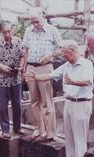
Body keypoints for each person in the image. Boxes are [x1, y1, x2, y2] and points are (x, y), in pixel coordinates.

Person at [25, 40, 93, 157]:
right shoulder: (66, 66)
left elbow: (88, 82)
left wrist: (74, 82)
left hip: (81, 103)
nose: (62, 56)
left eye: (64, 54)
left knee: (80, 138)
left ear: (71, 51)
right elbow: (49, 75)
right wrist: (36, 78)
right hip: (69, 103)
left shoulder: (86, 64)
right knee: (69, 137)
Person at [23, 7, 62, 142]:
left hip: (45, 68)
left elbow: (62, 48)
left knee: (46, 101)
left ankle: (50, 133)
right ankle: (39, 130)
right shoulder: (28, 31)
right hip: (31, 67)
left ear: (43, 17)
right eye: (33, 22)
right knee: (34, 101)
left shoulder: (52, 30)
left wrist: (51, 54)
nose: (35, 25)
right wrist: (24, 70)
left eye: (37, 21)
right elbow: (26, 51)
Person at [0, 20, 25, 139]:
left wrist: (20, 67)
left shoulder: (18, 41)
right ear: (1, 32)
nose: (7, 34)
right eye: (5, 32)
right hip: (1, 79)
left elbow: (23, 55)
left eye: (9, 31)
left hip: (15, 78)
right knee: (3, 105)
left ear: (11, 30)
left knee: (17, 104)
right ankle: (5, 129)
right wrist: (1, 66)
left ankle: (17, 127)